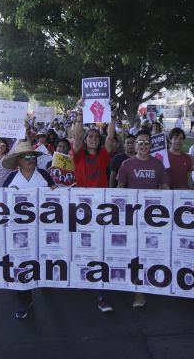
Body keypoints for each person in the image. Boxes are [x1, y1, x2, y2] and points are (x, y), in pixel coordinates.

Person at [1, 140, 55, 319]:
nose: (31, 159)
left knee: (43, 260)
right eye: (26, 157)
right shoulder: (10, 179)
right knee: (21, 264)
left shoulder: (46, 177)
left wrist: (56, 191)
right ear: (18, 161)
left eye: (32, 156)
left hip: (42, 230)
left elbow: (56, 201)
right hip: (19, 232)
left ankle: (46, 282)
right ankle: (25, 299)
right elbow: (1, 205)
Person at [117, 129, 169, 308]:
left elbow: (166, 190)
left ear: (152, 145)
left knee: (149, 253)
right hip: (132, 217)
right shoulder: (126, 164)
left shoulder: (159, 165)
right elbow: (119, 190)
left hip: (153, 218)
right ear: (135, 144)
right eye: (140, 142)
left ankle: (142, 290)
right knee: (133, 252)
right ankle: (137, 290)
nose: (144, 145)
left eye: (147, 142)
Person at [73, 99, 116, 312]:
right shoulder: (78, 156)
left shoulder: (104, 157)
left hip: (100, 209)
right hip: (81, 208)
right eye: (90, 136)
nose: (91, 139)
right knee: (83, 246)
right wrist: (80, 114)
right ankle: (82, 277)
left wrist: (112, 116)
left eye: (95, 137)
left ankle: (101, 294)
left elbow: (110, 137)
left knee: (100, 249)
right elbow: (78, 137)